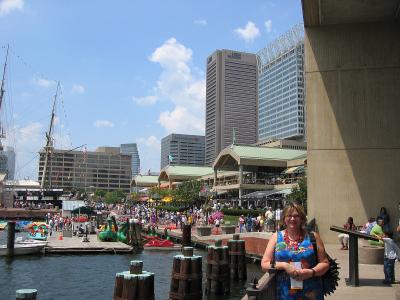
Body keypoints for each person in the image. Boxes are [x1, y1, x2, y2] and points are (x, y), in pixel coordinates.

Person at [261, 202, 329, 300]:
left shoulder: (313, 237)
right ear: (284, 218)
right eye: (289, 215)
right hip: (284, 294)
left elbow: (325, 263)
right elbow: (264, 264)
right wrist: (284, 265)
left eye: (296, 216)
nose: (292, 219)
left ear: (302, 219)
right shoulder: (276, 237)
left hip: (311, 293)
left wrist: (311, 272)